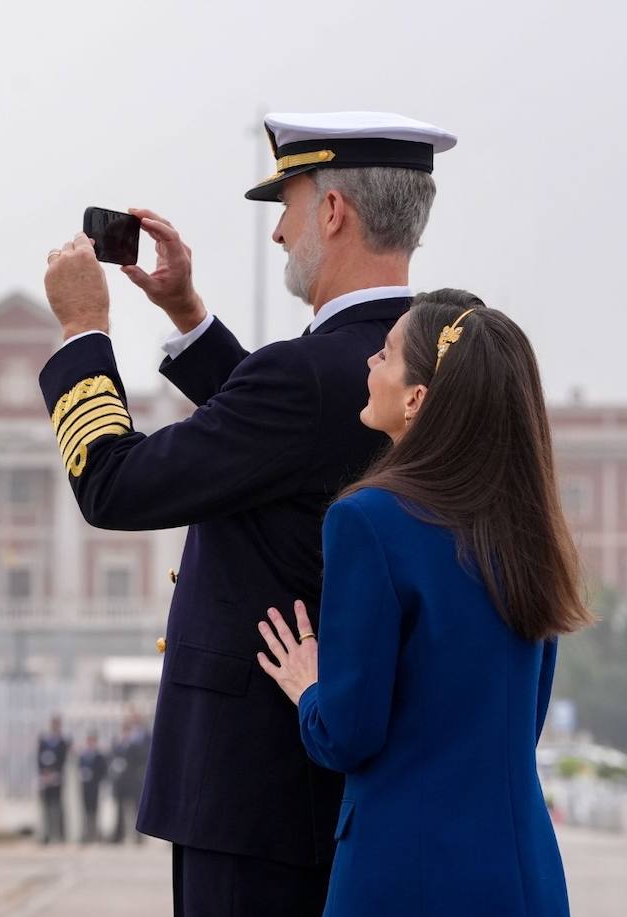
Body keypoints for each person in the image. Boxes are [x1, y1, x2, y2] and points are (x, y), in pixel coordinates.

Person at [39, 111, 456, 916]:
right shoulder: (431, 354)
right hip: (336, 787)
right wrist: (189, 316)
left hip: (251, 797)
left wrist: (83, 332)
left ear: (333, 212)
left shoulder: (305, 378)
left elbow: (115, 486)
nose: (278, 236)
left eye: (287, 206)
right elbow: (294, 440)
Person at [254, 297, 593, 915]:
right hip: (522, 875)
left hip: (403, 873)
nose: (369, 363)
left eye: (384, 354)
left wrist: (309, 687)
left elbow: (348, 733)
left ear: (416, 398)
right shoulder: (528, 528)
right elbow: (524, 720)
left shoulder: (368, 521)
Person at [109, 713, 150, 845]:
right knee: (120, 808)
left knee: (135, 808)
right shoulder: (118, 741)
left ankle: (138, 836)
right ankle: (119, 835)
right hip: (121, 780)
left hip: (134, 778)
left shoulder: (136, 742)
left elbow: (141, 757)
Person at [36, 715, 70, 844]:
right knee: (46, 808)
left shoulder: (62, 742)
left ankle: (59, 835)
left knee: (57, 807)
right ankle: (47, 834)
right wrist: (44, 773)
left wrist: (55, 772)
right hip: (45, 779)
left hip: (57, 779)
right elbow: (39, 759)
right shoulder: (44, 741)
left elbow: (63, 760)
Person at [77, 731, 108, 844]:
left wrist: (94, 776)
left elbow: (103, 771)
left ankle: (95, 833)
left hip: (95, 786)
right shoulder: (83, 755)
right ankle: (86, 833)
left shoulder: (99, 756)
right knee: (86, 810)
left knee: (95, 810)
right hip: (85, 786)